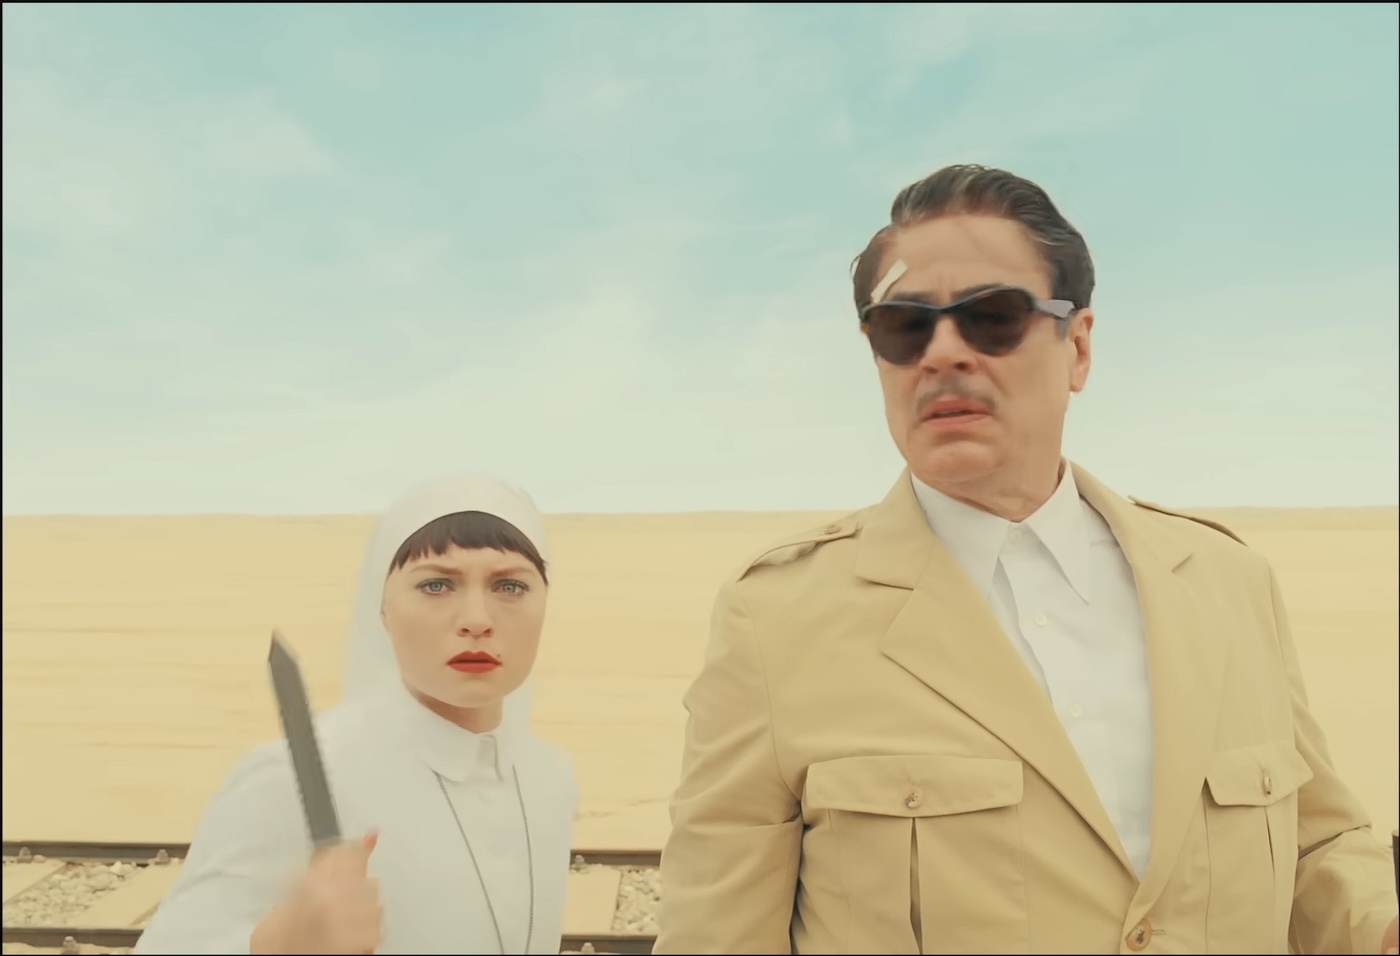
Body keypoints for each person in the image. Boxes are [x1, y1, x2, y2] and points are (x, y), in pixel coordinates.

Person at [655, 164, 1400, 955]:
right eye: (904, 326)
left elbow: (1317, 845)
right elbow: (716, 937)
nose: (943, 353)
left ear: (1077, 346)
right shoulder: (778, 620)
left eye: (993, 316)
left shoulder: (1225, 583)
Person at [136, 473, 579, 955]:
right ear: (382, 608)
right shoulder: (298, 776)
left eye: (510, 585)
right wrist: (275, 945)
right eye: (436, 584)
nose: (476, 619)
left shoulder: (549, 778)